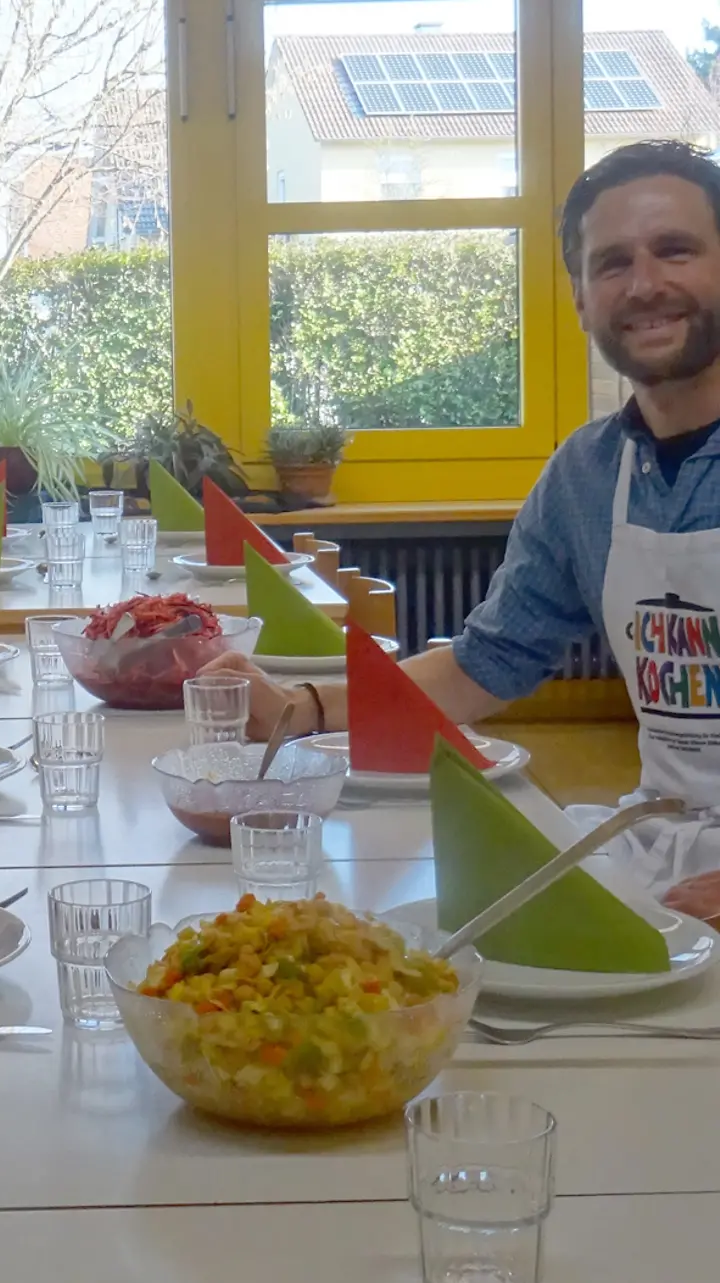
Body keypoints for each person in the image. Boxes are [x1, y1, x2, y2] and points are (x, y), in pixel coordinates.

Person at [206, 141, 720, 916]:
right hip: (661, 843)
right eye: (611, 263)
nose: (644, 285)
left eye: (675, 251)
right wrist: (301, 708)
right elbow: (484, 664)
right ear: (580, 296)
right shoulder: (588, 475)